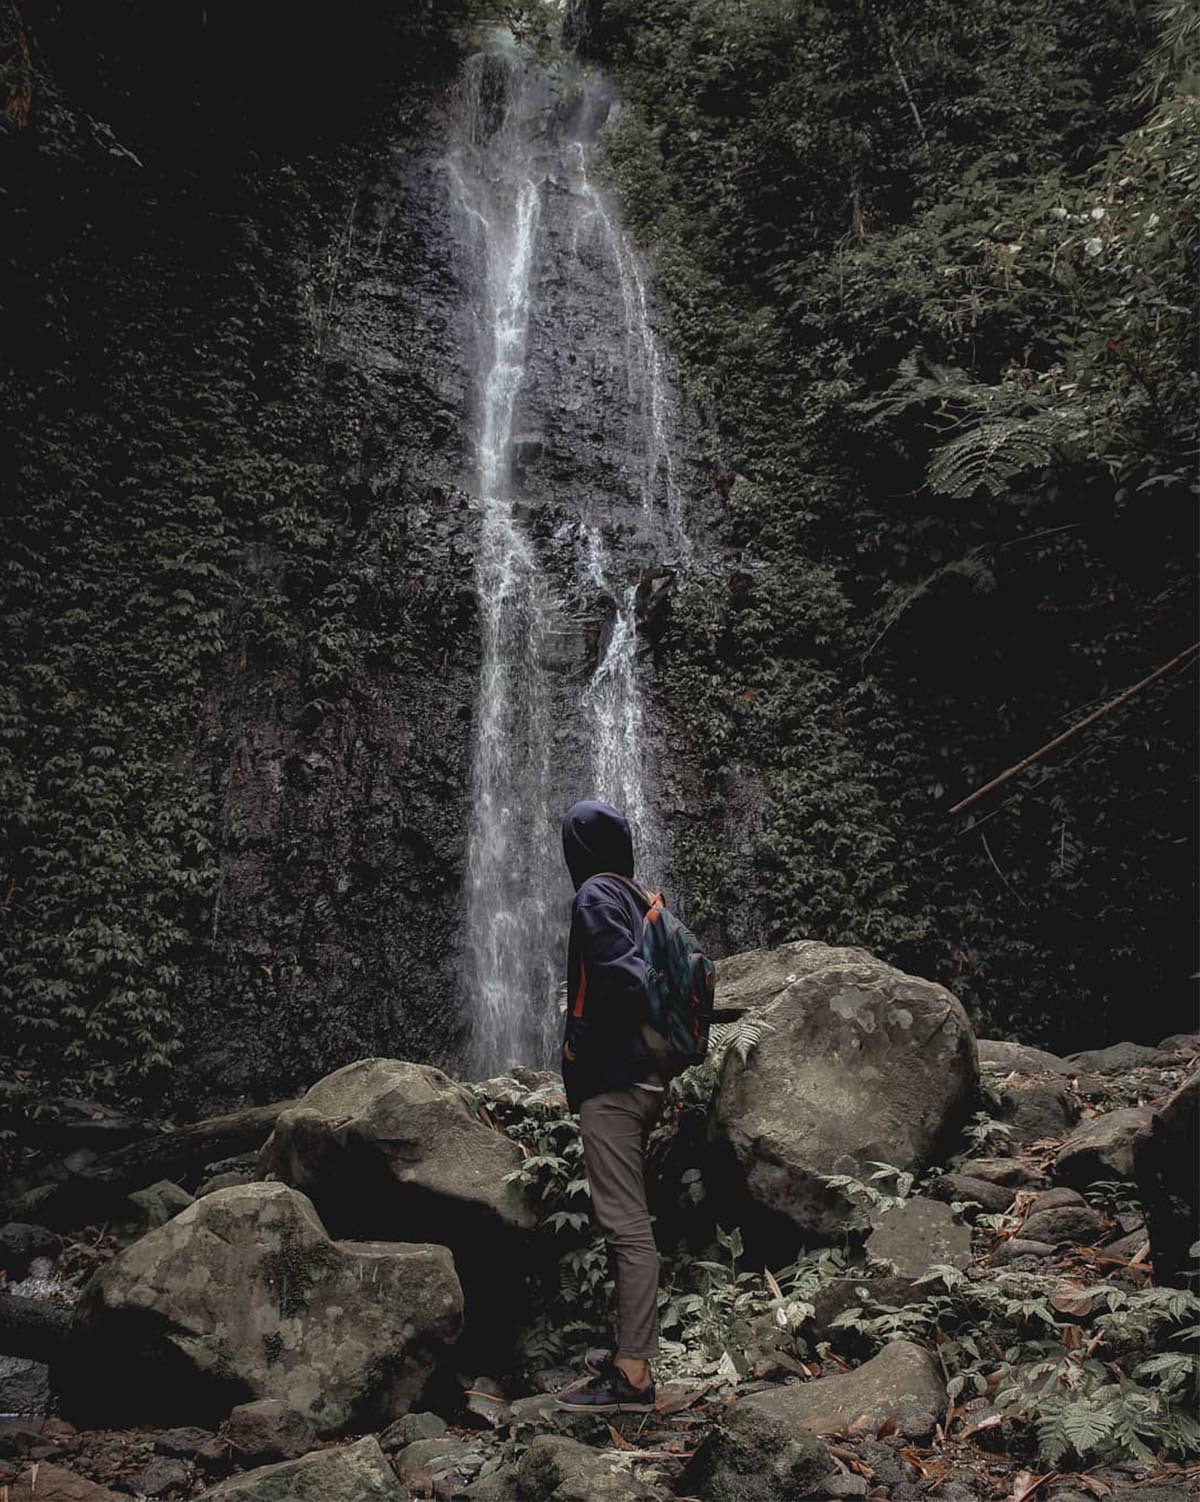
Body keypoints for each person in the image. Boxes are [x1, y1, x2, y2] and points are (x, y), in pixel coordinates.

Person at [555, 798, 662, 1415]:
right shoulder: (634, 893)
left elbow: (624, 983)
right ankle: (629, 1350)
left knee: (624, 1223)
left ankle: (633, 1375)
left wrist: (583, 1043)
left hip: (614, 1081)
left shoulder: (596, 894)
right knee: (628, 1220)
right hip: (643, 1076)